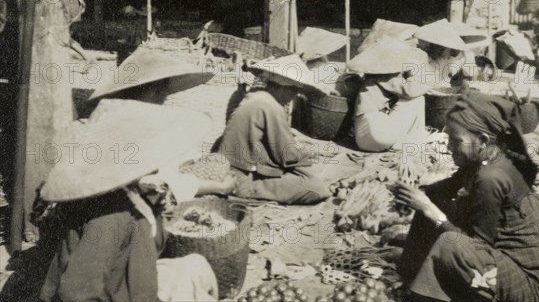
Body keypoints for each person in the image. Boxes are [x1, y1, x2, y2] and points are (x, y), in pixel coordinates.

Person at [38, 100, 220, 302]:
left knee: (195, 265)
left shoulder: (131, 194)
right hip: (117, 294)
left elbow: (140, 247)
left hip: (129, 284)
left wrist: (154, 212)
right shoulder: (111, 216)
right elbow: (77, 294)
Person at [394, 92, 539, 302]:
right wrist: (414, 193)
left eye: (456, 140)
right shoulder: (483, 159)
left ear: (481, 140)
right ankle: (409, 277)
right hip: (501, 262)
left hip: (529, 287)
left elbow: (477, 248)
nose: (448, 147)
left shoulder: (491, 176)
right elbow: (441, 190)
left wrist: (429, 209)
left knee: (449, 241)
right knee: (434, 206)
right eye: (448, 139)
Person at [88, 51, 237, 199]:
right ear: (148, 90)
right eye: (160, 90)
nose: (163, 97)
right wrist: (218, 187)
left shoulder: (139, 117)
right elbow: (149, 184)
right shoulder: (121, 126)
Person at [220, 54, 331, 205]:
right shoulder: (270, 106)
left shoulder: (255, 97)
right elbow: (288, 154)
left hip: (227, 168)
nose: (292, 98)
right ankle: (251, 190)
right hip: (238, 180)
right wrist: (311, 152)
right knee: (316, 188)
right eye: (294, 92)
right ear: (283, 88)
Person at [349, 41, 432, 152]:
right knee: (417, 99)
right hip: (377, 132)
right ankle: (414, 142)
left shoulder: (372, 77)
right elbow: (410, 91)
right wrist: (417, 80)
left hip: (362, 139)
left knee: (409, 98)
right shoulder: (386, 76)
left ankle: (405, 141)